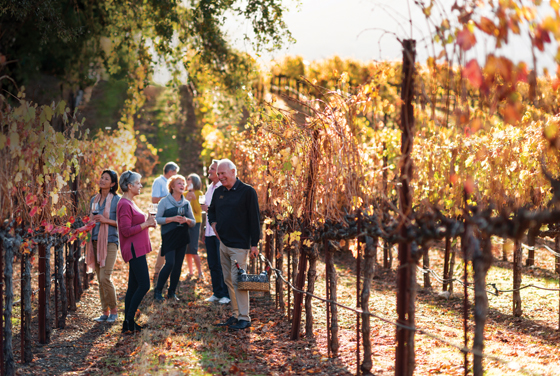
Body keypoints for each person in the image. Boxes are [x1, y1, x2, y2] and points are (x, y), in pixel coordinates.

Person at [207, 159, 261, 331]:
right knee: (229, 280)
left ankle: (245, 318)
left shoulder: (247, 192)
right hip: (223, 243)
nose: (220, 177)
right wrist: (213, 224)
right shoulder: (219, 192)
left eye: (223, 173)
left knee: (239, 281)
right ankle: (236, 315)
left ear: (233, 171)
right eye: (218, 174)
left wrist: (254, 244)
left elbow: (254, 218)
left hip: (240, 245)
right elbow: (211, 210)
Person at [117, 171, 156, 333]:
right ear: (129, 186)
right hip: (134, 250)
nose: (141, 185)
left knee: (133, 286)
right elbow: (125, 230)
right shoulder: (124, 204)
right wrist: (146, 223)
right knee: (144, 284)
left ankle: (128, 324)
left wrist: (147, 221)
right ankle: (129, 320)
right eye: (138, 183)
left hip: (137, 249)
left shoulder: (130, 202)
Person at [154, 174, 196, 302]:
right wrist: (172, 219)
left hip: (182, 236)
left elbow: (193, 222)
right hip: (169, 236)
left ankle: (172, 292)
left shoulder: (186, 203)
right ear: (172, 186)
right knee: (170, 263)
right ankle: (157, 291)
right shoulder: (164, 201)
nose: (183, 185)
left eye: (183, 183)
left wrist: (187, 220)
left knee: (178, 266)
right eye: (179, 183)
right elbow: (157, 219)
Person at [86, 170, 121, 323]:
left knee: (104, 277)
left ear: (113, 184)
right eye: (101, 177)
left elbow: (122, 224)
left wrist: (106, 220)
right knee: (100, 280)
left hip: (110, 241)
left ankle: (114, 311)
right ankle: (104, 312)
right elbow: (91, 219)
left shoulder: (117, 201)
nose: (102, 180)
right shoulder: (94, 199)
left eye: (106, 178)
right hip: (94, 241)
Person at [200, 160, 230, 304]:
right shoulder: (209, 188)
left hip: (219, 232)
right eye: (210, 168)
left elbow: (225, 210)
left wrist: (209, 208)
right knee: (212, 263)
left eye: (212, 169)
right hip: (209, 232)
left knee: (222, 263)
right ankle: (217, 292)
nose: (210, 171)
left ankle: (226, 294)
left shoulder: (223, 188)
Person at [152, 162, 179, 280]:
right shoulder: (159, 182)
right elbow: (154, 199)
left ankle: (167, 269)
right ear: (170, 172)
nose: (176, 175)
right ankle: (159, 270)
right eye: (175, 172)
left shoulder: (171, 183)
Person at [184, 173, 205, 280]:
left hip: (196, 223)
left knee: (193, 248)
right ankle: (191, 271)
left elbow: (199, 210)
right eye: (187, 179)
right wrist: (187, 199)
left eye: (190, 180)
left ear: (195, 182)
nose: (187, 181)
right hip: (185, 223)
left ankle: (200, 272)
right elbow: (183, 210)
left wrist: (194, 199)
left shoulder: (200, 193)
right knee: (187, 249)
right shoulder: (184, 194)